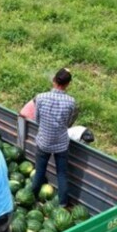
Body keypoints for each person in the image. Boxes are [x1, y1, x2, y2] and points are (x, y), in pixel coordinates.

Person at [31, 68, 77, 208]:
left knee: (39, 171)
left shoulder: (41, 97)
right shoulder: (71, 102)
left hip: (44, 141)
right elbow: (69, 123)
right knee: (62, 174)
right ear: (68, 84)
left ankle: (31, 197)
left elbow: (37, 119)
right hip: (61, 144)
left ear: (54, 80)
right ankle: (63, 204)